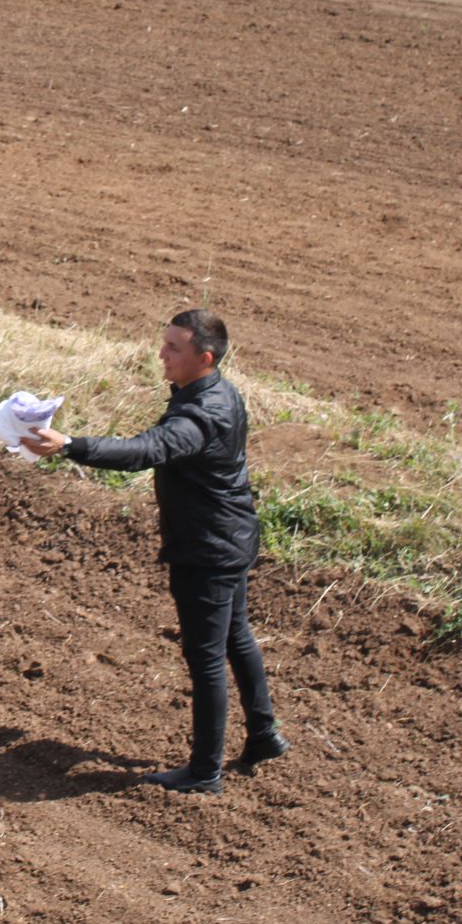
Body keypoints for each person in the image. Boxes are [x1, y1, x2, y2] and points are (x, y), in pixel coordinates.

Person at [19, 310, 286, 795]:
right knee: (236, 638)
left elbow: (147, 451)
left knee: (206, 657)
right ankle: (264, 734)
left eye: (173, 349)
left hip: (206, 550)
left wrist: (70, 445)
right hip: (231, 537)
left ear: (204, 358)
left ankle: (205, 771)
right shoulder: (217, 392)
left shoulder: (201, 413)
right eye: (163, 344)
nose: (160, 355)